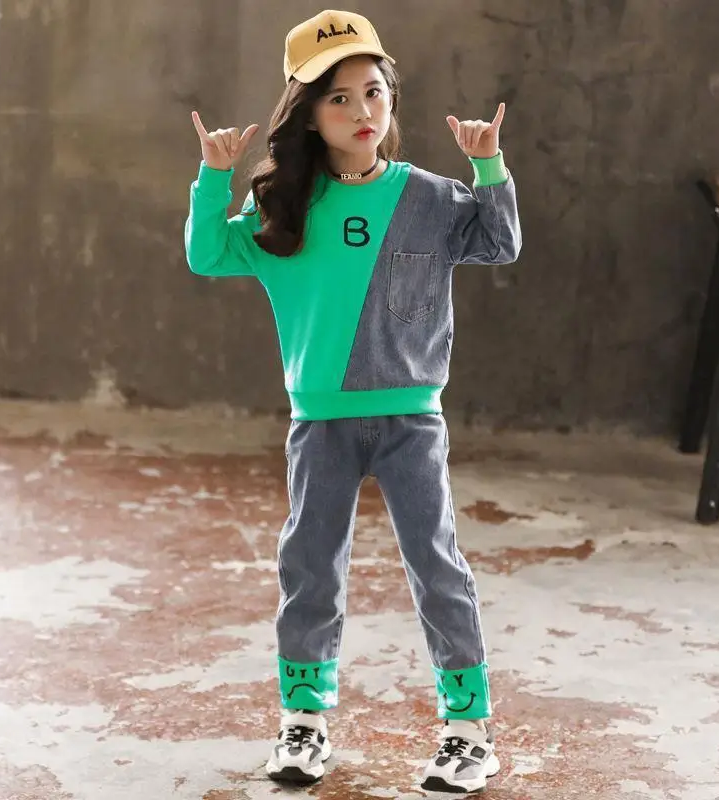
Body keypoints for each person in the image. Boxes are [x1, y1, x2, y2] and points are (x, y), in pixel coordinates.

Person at [184, 8, 521, 794]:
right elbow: (206, 254)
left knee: (436, 566)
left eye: (373, 91)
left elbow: (500, 241)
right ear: (308, 114)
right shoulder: (282, 208)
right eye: (339, 98)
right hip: (321, 424)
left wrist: (489, 166)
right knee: (310, 571)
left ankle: (469, 732)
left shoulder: (428, 197)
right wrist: (212, 178)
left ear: (391, 98)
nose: (362, 110)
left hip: (411, 421)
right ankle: (303, 724)